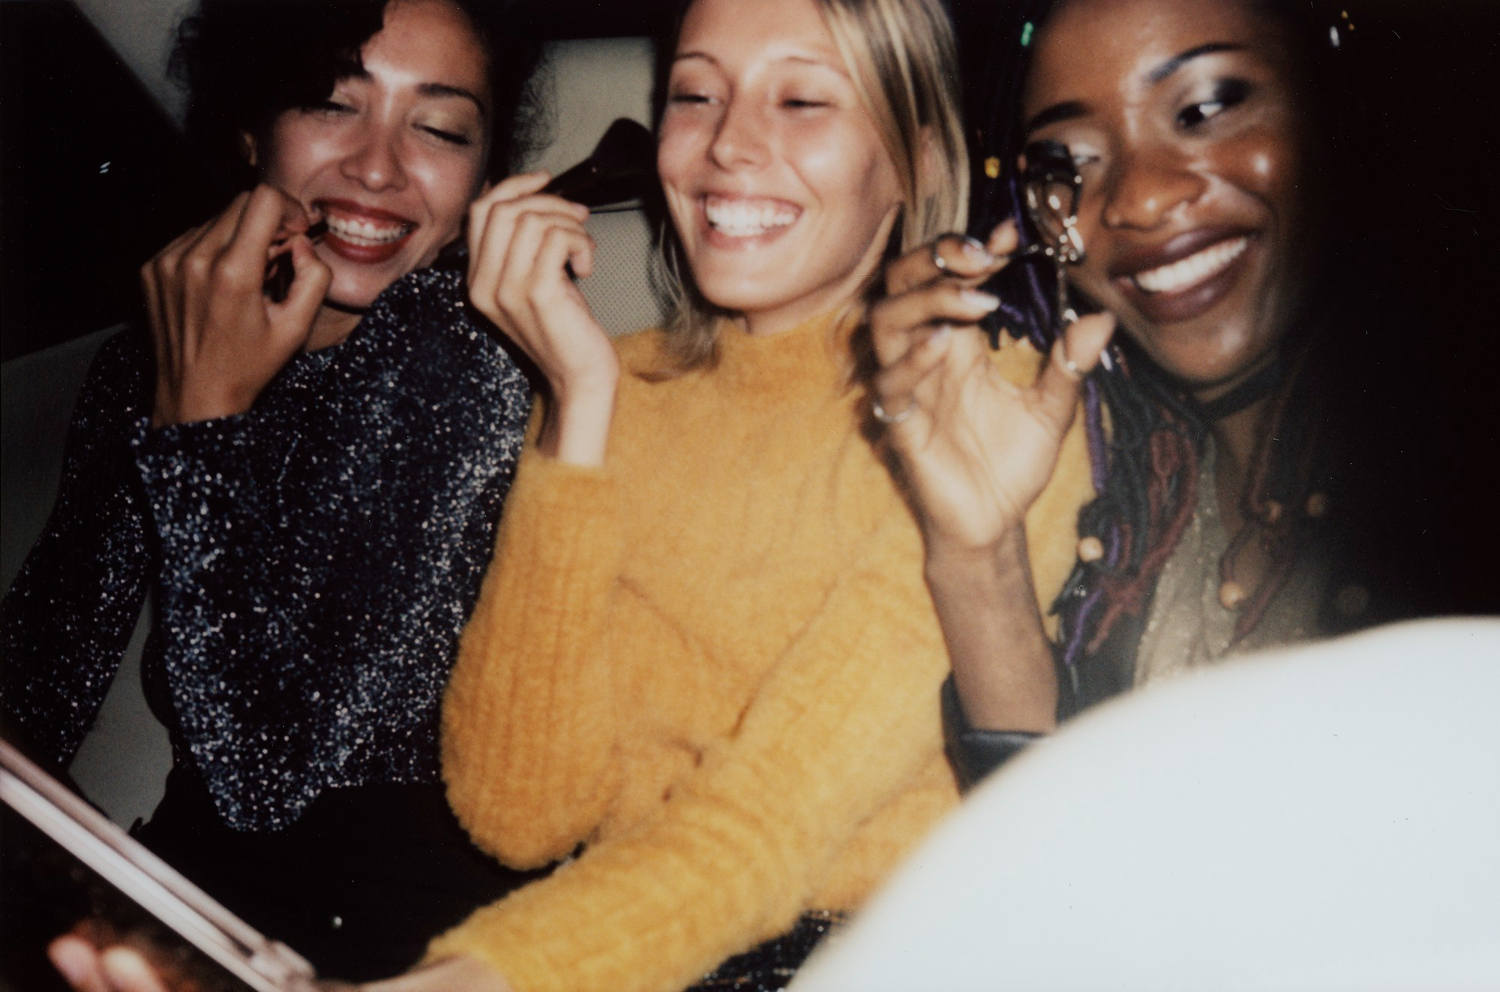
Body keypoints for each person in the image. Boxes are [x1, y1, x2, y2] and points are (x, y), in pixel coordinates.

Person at [371, 0, 1092, 990]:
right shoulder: (617, 385)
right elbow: (517, 810)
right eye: (695, 94)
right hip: (622, 951)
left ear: (919, 161)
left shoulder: (981, 415)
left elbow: (769, 817)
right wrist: (579, 406)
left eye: (801, 99)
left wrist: (464, 981)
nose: (728, 145)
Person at [5, 0, 547, 980]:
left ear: (480, 179)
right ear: (252, 130)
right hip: (194, 890)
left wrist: (200, 419)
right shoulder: (145, 361)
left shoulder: (471, 364)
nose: (379, 167)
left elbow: (265, 774)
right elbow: (41, 677)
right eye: (329, 104)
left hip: (400, 936)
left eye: (438, 126)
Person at [868, 0, 1451, 786]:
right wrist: (979, 555)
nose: (1137, 199)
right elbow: (1056, 866)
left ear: (1336, 106)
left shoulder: (1456, 472)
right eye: (1067, 160)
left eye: (1206, 109)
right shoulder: (1144, 506)